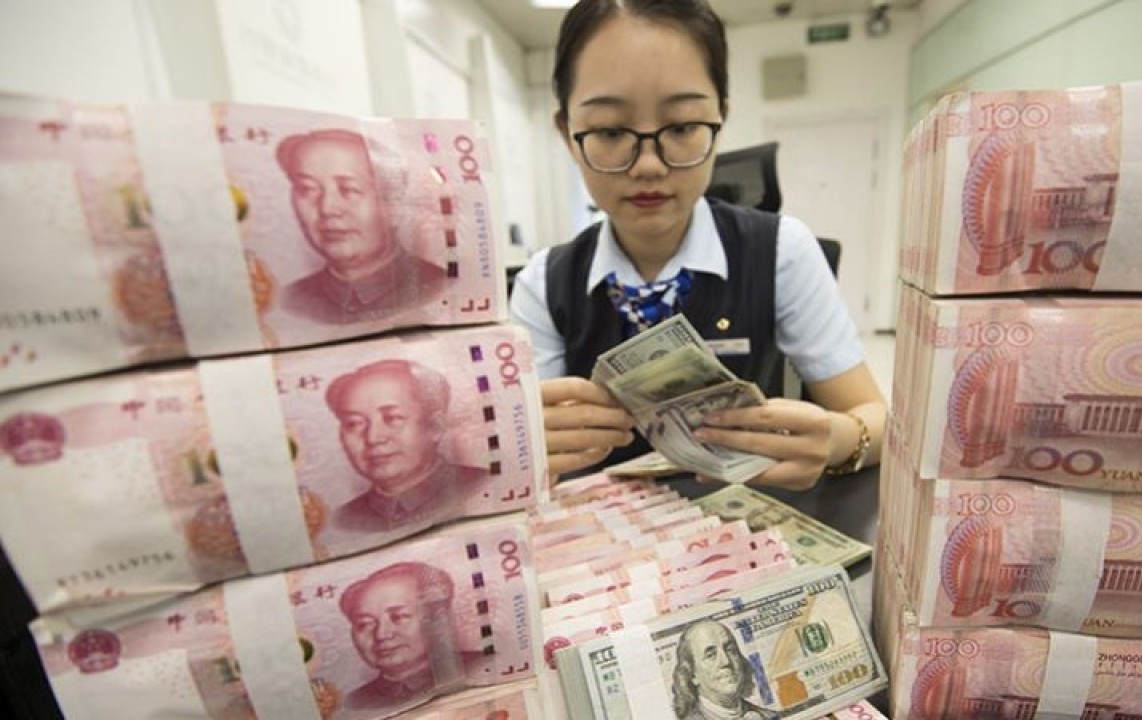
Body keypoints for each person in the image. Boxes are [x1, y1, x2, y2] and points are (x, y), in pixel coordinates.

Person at [509, 0, 886, 490]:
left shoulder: (781, 251)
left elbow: (876, 418)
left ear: (720, 118)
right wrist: (523, 443)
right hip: (608, 546)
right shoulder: (544, 282)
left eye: (683, 126)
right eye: (608, 131)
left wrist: (838, 439)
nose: (648, 165)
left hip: (745, 527)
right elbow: (528, 460)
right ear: (567, 132)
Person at [276, 128, 446, 324]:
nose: (327, 208)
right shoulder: (290, 301)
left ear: (394, 206)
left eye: (349, 189)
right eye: (307, 188)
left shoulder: (438, 288)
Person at [325, 359, 488, 533]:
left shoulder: (480, 485)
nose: (373, 438)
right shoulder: (344, 519)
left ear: (435, 427)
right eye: (354, 423)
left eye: (393, 418)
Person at [338, 561, 462, 709]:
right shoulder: (353, 703)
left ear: (437, 618)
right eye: (364, 624)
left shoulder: (481, 666)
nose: (381, 635)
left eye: (398, 617)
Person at [670, 620, 774, 720]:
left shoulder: (769, 716)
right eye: (711, 655)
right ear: (692, 675)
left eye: (730, 650)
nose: (726, 661)